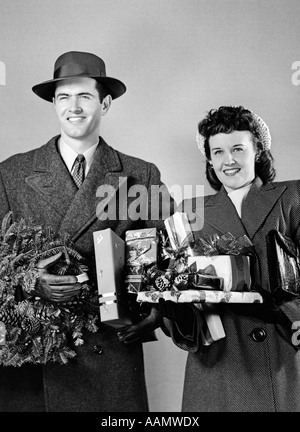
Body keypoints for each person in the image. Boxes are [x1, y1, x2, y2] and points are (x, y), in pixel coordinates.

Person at [0, 51, 174, 412]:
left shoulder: (142, 174)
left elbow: (171, 260)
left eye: (85, 96)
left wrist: (159, 310)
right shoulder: (10, 173)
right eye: (63, 97)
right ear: (53, 104)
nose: (73, 107)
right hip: (33, 358)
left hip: (109, 350)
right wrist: (31, 278)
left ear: (105, 103)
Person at [160, 105, 300, 412]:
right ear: (209, 159)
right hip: (218, 360)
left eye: (238, 148)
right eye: (218, 152)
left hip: (280, 352)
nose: (229, 160)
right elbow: (178, 288)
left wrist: (293, 314)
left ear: (258, 150)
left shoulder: (292, 198)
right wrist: (172, 305)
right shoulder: (189, 210)